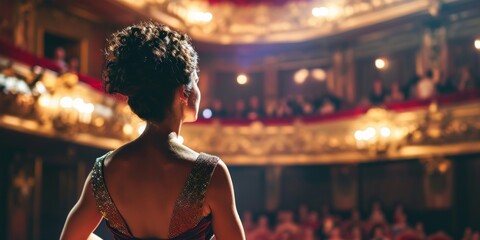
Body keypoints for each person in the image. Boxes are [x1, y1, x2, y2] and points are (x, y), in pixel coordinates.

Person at [60, 22, 245, 240]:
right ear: (182, 93)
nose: (198, 89)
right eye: (195, 81)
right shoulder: (210, 173)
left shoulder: (104, 172)